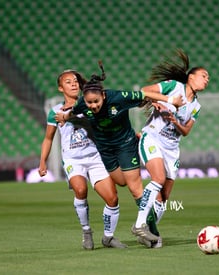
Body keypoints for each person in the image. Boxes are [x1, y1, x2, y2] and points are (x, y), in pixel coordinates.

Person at [57, 61, 184, 246]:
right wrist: (63, 116)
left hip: (125, 144)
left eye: (96, 101)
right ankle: (144, 227)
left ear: (103, 96)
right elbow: (72, 113)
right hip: (106, 149)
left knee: (135, 189)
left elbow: (144, 93)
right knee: (122, 182)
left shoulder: (119, 97)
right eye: (89, 102)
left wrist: (170, 101)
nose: (93, 106)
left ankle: (151, 234)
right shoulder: (82, 105)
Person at [38, 69, 127, 250]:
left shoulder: (91, 104)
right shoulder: (55, 111)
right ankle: (86, 231)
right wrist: (42, 162)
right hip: (73, 160)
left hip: (96, 157)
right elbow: (48, 138)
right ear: (60, 88)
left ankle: (108, 237)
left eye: (76, 81)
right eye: (68, 82)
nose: (74, 84)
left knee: (112, 199)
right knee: (80, 189)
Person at [133, 49, 209, 246]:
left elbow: (185, 131)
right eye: (203, 76)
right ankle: (140, 224)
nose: (206, 80)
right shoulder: (173, 87)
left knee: (164, 198)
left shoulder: (196, 106)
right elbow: (144, 90)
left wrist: (174, 120)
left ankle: (148, 232)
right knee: (157, 179)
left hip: (172, 148)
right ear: (190, 77)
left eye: (207, 78)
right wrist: (160, 101)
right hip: (152, 138)